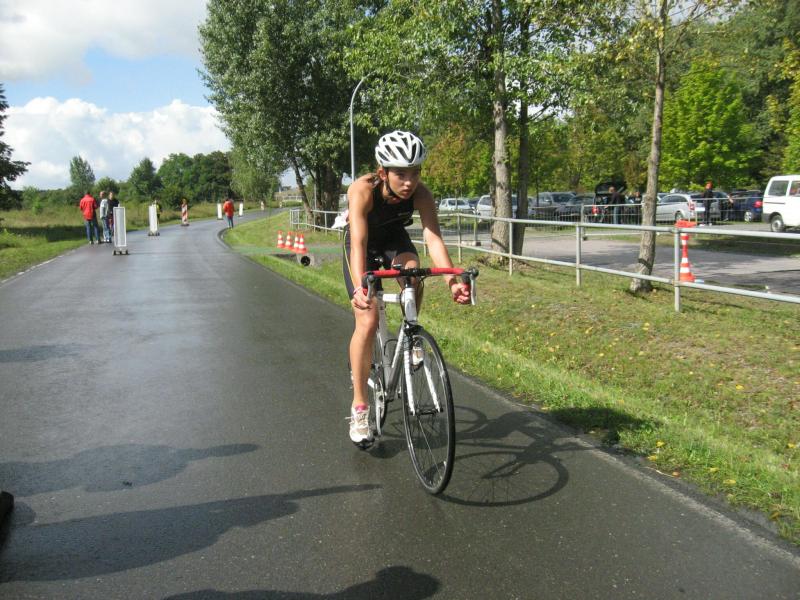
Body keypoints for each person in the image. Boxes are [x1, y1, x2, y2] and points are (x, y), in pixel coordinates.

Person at [344, 130, 470, 446]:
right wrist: (360, 287)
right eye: (401, 174)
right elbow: (358, 242)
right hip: (362, 246)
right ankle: (359, 407)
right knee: (368, 318)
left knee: (414, 276)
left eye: (415, 173)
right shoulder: (362, 190)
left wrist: (452, 281)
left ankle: (411, 334)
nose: (409, 181)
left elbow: (433, 238)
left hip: (393, 240)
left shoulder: (422, 194)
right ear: (383, 172)